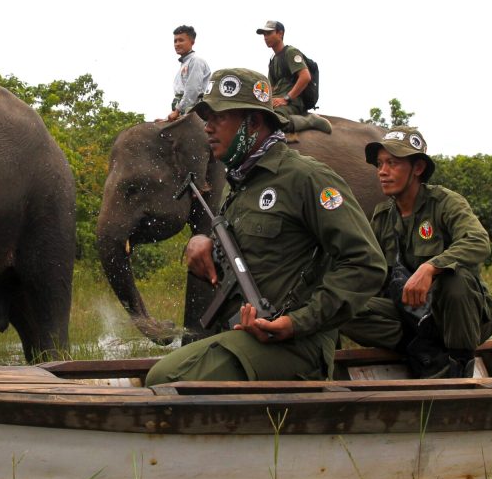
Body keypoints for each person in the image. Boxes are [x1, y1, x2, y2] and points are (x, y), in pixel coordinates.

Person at [144, 68, 385, 386]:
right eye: (207, 117)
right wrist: (203, 243)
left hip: (296, 345)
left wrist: (296, 323)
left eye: (219, 117)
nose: (208, 128)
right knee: (165, 369)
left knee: (165, 378)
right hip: (245, 337)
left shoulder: (306, 178)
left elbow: (366, 264)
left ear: (253, 123)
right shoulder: (240, 186)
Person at [339, 126, 492, 378]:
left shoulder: (446, 203)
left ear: (418, 168)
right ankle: (425, 354)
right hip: (410, 317)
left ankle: (459, 366)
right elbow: (367, 268)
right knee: (343, 306)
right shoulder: (382, 217)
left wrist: (431, 268)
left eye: (392, 163)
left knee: (456, 280)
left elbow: (477, 240)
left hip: (458, 317)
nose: (382, 172)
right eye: (379, 164)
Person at [256, 20, 330, 134]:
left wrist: (286, 98)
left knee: (273, 121)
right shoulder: (273, 60)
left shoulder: (290, 52)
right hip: (276, 101)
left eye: (269, 33)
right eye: (264, 34)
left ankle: (311, 120)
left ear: (280, 33)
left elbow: (305, 77)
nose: (265, 37)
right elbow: (271, 87)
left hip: (293, 102)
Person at [162, 25, 211, 122]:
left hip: (193, 110)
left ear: (192, 42)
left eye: (181, 40)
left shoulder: (196, 61)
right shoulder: (184, 64)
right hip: (182, 108)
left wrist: (177, 111)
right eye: (175, 41)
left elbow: (192, 91)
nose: (177, 44)